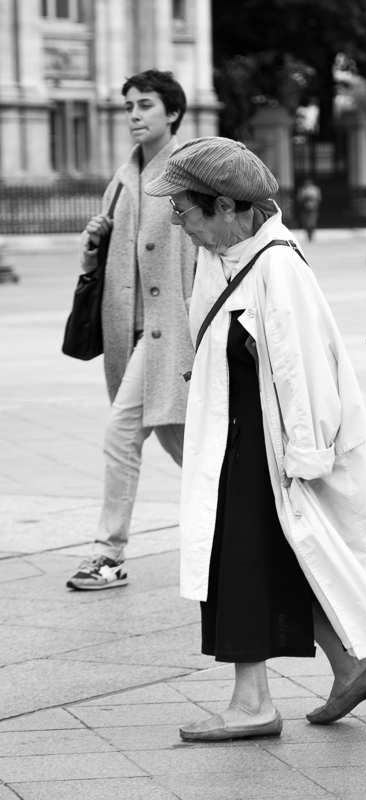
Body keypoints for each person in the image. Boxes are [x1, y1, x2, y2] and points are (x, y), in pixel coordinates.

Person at [145, 136, 366, 742]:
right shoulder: (225, 254)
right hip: (240, 437)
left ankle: (253, 703)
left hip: (267, 448)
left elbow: (304, 371)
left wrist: (306, 458)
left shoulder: (276, 265)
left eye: (184, 209)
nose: (176, 221)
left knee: (237, 562)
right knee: (278, 557)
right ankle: (355, 665)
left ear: (224, 205)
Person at [67, 70, 195, 591]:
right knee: (185, 445)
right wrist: (94, 243)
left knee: (122, 432)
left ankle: (107, 553)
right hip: (130, 334)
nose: (135, 115)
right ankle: (268, 522)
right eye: (128, 106)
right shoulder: (121, 180)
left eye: (145, 105)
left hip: (171, 334)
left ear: (173, 114)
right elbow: (109, 262)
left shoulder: (190, 171)